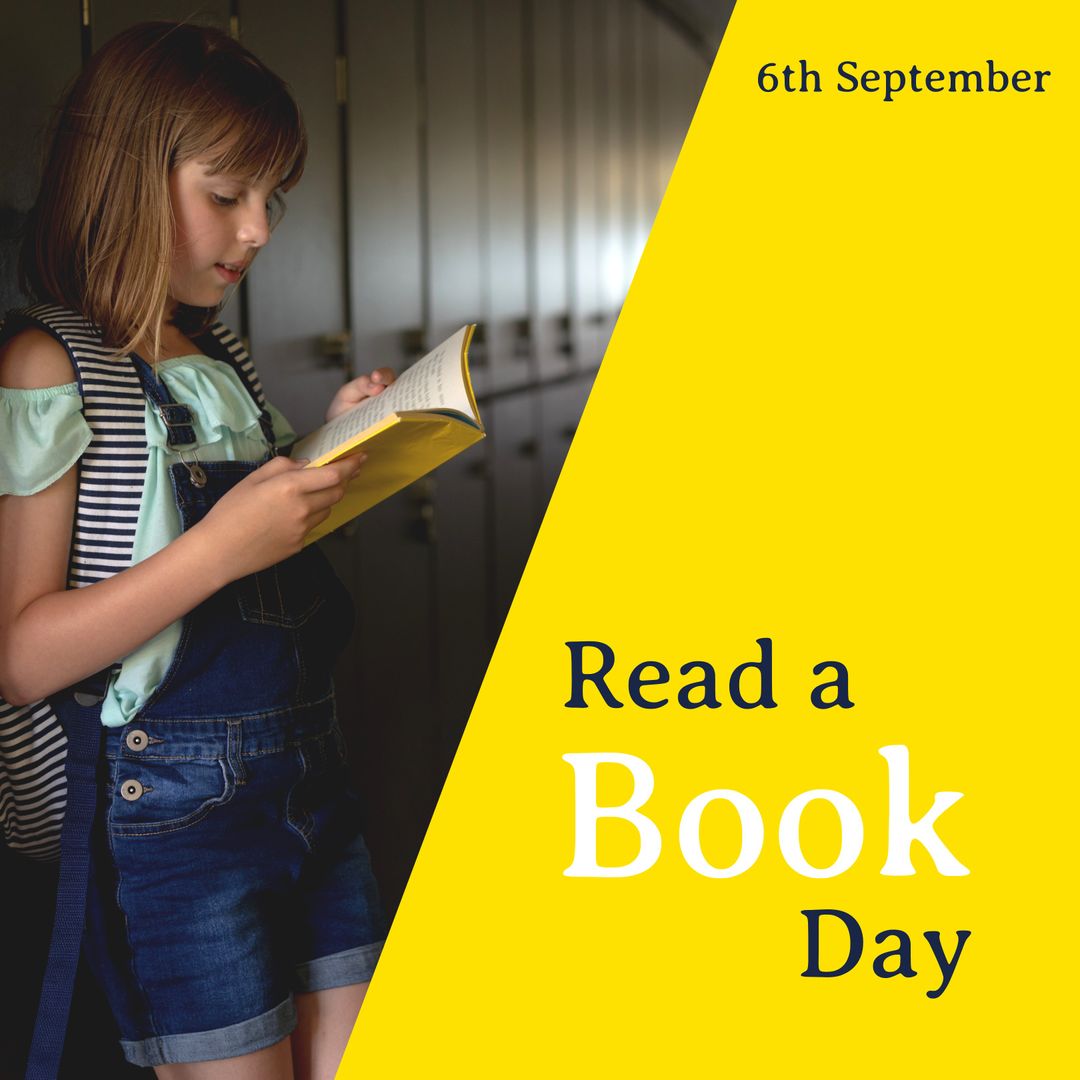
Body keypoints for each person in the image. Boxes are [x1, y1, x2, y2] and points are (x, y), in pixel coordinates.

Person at [0, 22, 391, 1080]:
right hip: (177, 816)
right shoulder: (51, 366)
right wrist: (224, 546)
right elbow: (26, 655)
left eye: (274, 199)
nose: (259, 230)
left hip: (311, 780)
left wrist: (333, 447)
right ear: (126, 175)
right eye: (228, 195)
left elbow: (229, 533)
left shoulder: (214, 349)